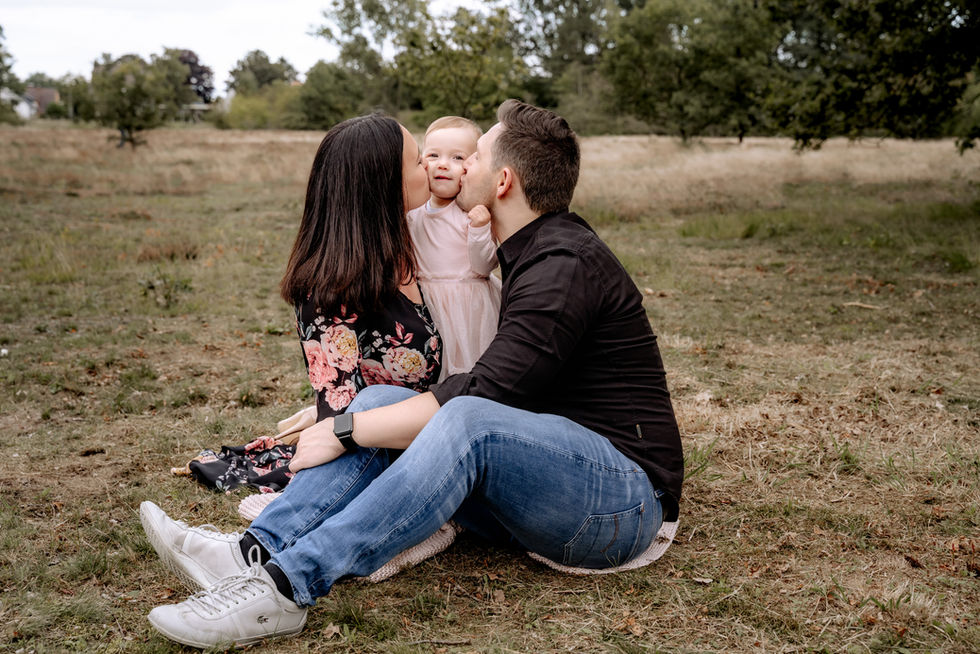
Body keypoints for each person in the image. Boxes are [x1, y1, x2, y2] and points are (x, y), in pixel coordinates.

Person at [140, 100, 684, 649]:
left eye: (472, 158)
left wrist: (340, 429)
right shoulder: (527, 250)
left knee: (463, 417)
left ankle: (283, 588)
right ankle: (252, 551)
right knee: (379, 398)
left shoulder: (563, 265)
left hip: (623, 505)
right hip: (546, 486)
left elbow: (483, 394)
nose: (452, 167)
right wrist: (357, 416)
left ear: (501, 181)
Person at [175, 114, 443, 494]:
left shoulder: (419, 239)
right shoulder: (330, 290)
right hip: (394, 445)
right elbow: (342, 413)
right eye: (418, 161)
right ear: (384, 185)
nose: (430, 168)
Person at [408, 116, 501, 378]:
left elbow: (483, 266)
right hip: (428, 302)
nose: (443, 165)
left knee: (471, 367)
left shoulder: (471, 214)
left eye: (458, 158)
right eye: (433, 155)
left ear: (472, 165)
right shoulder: (414, 214)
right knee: (434, 368)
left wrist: (480, 228)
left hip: (468, 303)